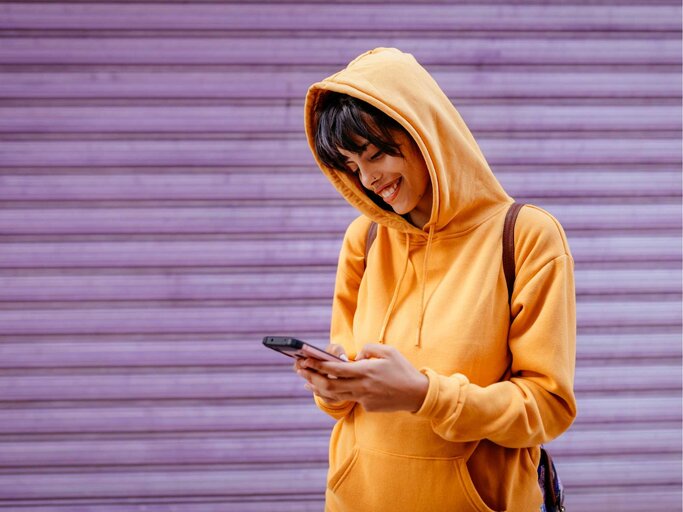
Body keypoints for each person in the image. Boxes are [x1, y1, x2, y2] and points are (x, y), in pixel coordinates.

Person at [293, 47, 577, 512]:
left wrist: (426, 396)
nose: (367, 179)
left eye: (374, 153)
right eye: (350, 165)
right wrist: (331, 386)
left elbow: (547, 408)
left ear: (424, 132)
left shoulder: (526, 236)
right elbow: (346, 396)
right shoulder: (364, 240)